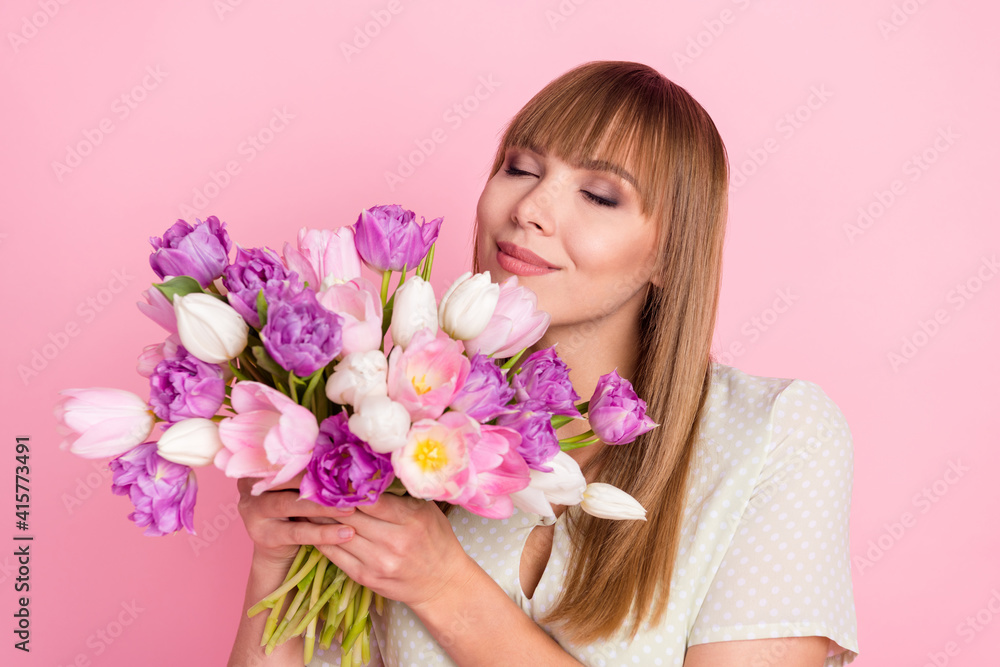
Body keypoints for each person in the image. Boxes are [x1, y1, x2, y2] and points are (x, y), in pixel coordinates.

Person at [227, 60, 859, 667]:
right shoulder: (397, 421)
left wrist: (444, 586)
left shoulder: (772, 434)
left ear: (670, 253)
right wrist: (276, 560)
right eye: (521, 168)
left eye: (599, 195)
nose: (529, 209)